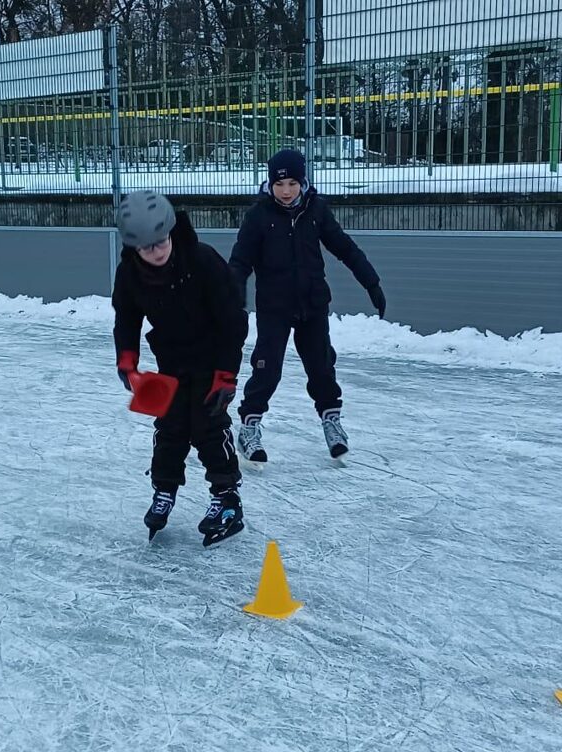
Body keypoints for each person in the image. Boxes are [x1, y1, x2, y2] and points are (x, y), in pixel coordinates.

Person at [228, 148, 387, 464]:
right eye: (279, 184)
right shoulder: (259, 216)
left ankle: (332, 423)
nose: (286, 191)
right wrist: (232, 301)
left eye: (292, 183)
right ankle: (249, 427)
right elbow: (240, 262)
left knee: (321, 367)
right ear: (270, 184)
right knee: (267, 368)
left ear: (303, 182)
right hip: (275, 307)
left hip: (313, 304)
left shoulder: (316, 210)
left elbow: (345, 248)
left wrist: (371, 282)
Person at [112, 190, 249, 546]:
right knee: (170, 427)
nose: (156, 252)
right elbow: (126, 318)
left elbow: (233, 321)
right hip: (170, 361)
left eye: (161, 242)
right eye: (146, 248)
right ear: (133, 248)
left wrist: (226, 374)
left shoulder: (202, 261)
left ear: (171, 231)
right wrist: (127, 360)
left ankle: (227, 498)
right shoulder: (130, 274)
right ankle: (164, 490)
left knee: (208, 426)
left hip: (212, 358)